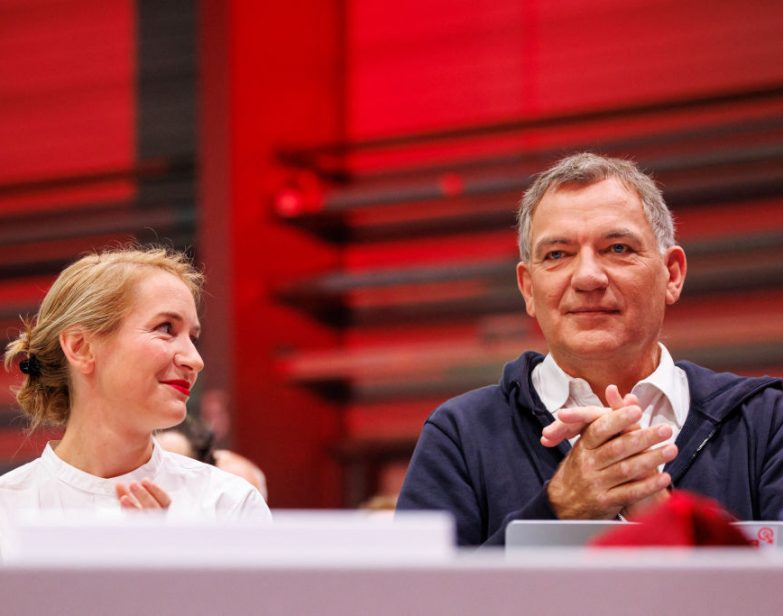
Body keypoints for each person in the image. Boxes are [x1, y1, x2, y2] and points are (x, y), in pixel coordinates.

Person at [396, 153, 783, 546]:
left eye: (617, 248)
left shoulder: (767, 423)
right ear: (529, 289)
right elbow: (406, 603)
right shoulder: (460, 435)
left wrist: (659, 510)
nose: (587, 277)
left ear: (673, 274)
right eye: (557, 255)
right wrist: (557, 508)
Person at [0, 246, 271, 530]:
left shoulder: (228, 505)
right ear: (81, 348)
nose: (195, 360)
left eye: (193, 337)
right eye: (166, 328)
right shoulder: (8, 509)